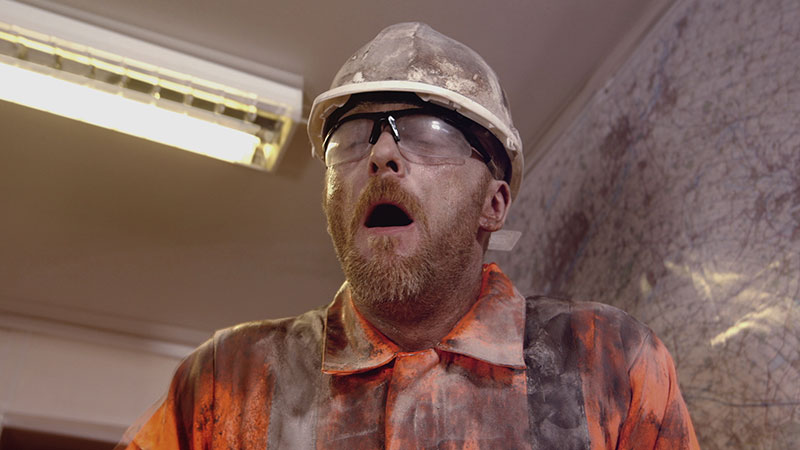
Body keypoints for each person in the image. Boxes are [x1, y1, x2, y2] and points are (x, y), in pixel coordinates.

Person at [120, 22, 699, 449]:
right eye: (353, 138)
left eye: (429, 133)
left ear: (493, 204)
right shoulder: (225, 381)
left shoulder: (610, 365)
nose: (381, 154)